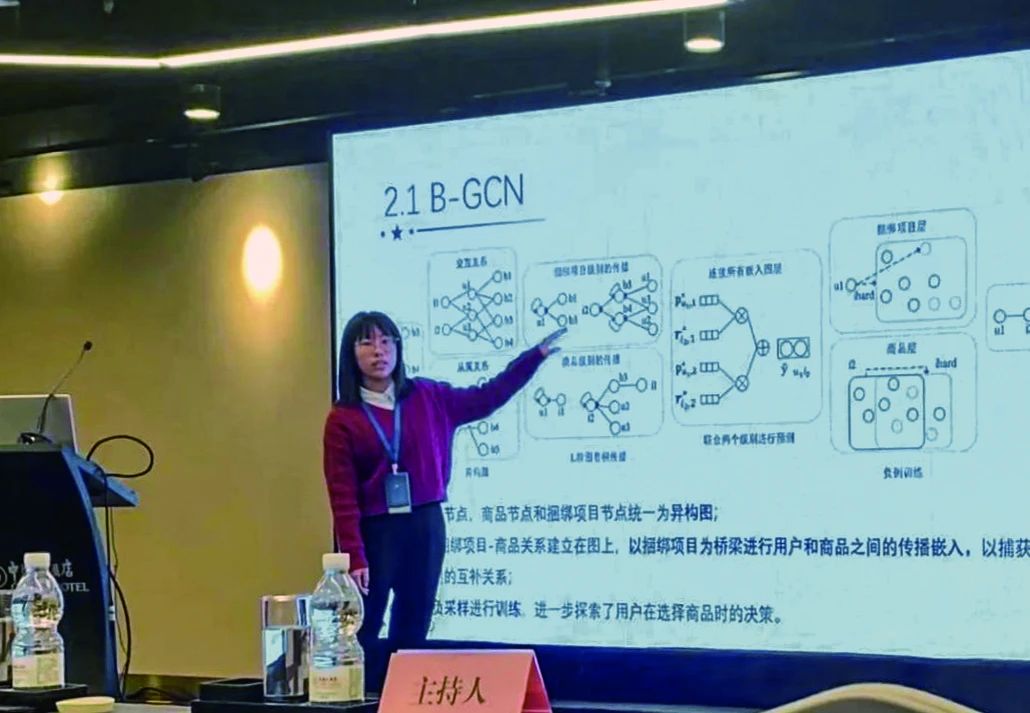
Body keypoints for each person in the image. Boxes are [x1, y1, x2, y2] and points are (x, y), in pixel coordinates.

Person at [322, 310, 564, 656]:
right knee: (364, 627)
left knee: (413, 627)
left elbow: (486, 397)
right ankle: (367, 687)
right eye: (367, 343)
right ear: (351, 353)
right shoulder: (343, 418)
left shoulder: (428, 395)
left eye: (387, 341)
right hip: (376, 532)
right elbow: (342, 496)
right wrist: (355, 557)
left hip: (425, 525)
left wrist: (532, 359)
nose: (379, 351)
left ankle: (403, 689)